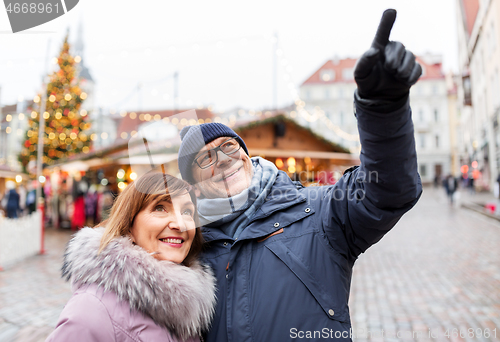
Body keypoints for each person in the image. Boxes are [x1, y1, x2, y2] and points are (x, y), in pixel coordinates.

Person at [177, 9, 422, 342]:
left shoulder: (317, 212)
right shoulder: (185, 250)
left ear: (248, 156)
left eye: (229, 147)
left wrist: (382, 108)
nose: (222, 160)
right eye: (206, 158)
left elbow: (389, 192)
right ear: (193, 185)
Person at [46, 172, 216, 342]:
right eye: (160, 208)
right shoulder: (91, 309)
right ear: (128, 225)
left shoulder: (191, 305)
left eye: (187, 211)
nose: (180, 224)